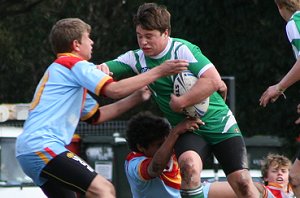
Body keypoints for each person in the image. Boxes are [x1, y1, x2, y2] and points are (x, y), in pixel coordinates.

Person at [15, 18, 188, 198]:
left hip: (30, 150)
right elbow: (114, 90)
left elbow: (96, 116)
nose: (92, 42)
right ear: (76, 44)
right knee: (104, 190)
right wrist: (159, 71)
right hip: (41, 146)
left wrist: (137, 97)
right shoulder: (73, 64)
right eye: (88, 38)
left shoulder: (63, 74)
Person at [101, 2, 260, 197]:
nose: (143, 42)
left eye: (149, 36)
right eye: (139, 36)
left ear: (165, 32)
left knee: (243, 184)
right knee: (189, 167)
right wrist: (98, 70)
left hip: (220, 123)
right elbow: (103, 71)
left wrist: (182, 101)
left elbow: (213, 80)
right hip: (188, 127)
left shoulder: (182, 49)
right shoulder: (136, 59)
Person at [259, 1, 300, 196]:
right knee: (295, 177)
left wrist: (279, 86)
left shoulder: (295, 21)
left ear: (280, 6)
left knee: (296, 177)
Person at [125, 111, 203, 198]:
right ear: (141, 147)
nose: (168, 146)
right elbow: (155, 168)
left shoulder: (172, 152)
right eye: (160, 144)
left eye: (167, 141)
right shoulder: (133, 163)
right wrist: (175, 132)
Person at [203, 153, 294, 198]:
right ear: (266, 176)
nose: (280, 173)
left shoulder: (293, 192)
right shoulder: (261, 188)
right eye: (274, 171)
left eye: (283, 171)